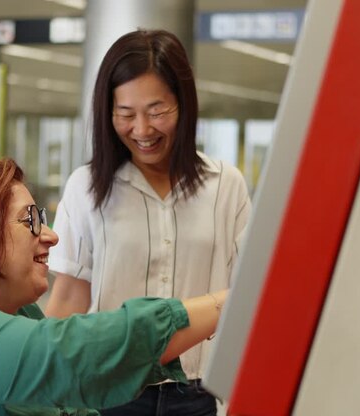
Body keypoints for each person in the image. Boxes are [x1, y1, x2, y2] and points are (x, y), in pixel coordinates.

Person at [0, 158, 229, 416]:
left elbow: (67, 400)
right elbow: (67, 357)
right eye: (31, 220)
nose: (51, 236)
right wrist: (223, 306)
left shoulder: (11, 309)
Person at [45, 29, 251, 416]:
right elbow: (70, 300)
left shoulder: (226, 185)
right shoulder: (86, 187)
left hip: (199, 394)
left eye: (157, 111)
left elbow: (246, 296)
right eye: (125, 114)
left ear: (183, 105)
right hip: (109, 390)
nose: (142, 130)